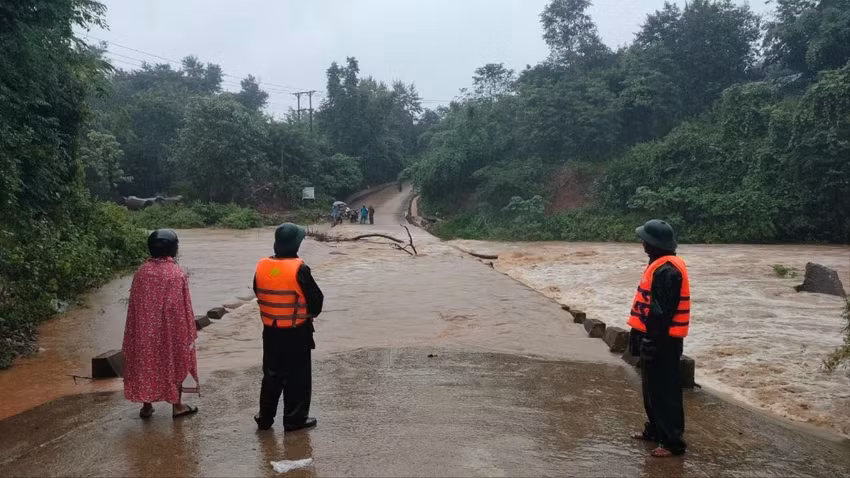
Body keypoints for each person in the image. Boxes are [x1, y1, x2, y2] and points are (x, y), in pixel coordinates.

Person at [628, 219, 690, 457]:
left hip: (663, 340)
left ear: (653, 244)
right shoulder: (659, 264)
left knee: (666, 391)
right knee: (651, 389)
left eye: (645, 240)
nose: (642, 243)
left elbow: (661, 312)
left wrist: (652, 342)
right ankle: (654, 430)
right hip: (653, 336)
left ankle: (673, 441)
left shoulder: (667, 270)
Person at [254, 223, 324, 432]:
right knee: (297, 376)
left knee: (272, 374)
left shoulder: (262, 266)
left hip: (271, 330)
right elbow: (316, 301)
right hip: (296, 330)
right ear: (295, 244)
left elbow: (258, 291)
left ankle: (265, 417)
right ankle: (294, 420)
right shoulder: (300, 268)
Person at [123, 229, 199, 419]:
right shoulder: (175, 273)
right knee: (175, 360)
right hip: (170, 331)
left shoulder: (141, 272)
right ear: (172, 249)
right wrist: (187, 332)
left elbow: (134, 307)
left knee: (145, 362)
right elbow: (180, 308)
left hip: (143, 331)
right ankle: (177, 405)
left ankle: (146, 405)